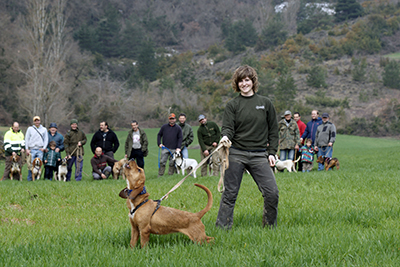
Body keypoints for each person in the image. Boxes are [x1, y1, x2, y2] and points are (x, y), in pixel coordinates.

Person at [215, 65, 279, 230]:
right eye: (241, 81)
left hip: (259, 155)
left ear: (253, 81)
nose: (244, 84)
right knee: (229, 194)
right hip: (236, 153)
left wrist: (271, 152)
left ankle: (270, 228)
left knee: (272, 192)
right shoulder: (232, 105)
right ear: (237, 84)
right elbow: (228, 128)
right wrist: (225, 137)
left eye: (247, 80)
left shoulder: (265, 103)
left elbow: (273, 130)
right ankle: (222, 229)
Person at [25, 116, 48, 181]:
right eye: (35, 120)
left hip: (40, 149)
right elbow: (27, 138)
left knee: (39, 163)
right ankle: (30, 178)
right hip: (32, 149)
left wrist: (44, 148)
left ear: (40, 121)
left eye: (38, 120)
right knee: (32, 164)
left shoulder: (44, 129)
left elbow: (46, 139)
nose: (37, 122)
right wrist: (27, 148)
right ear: (34, 121)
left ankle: (37, 178)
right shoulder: (30, 129)